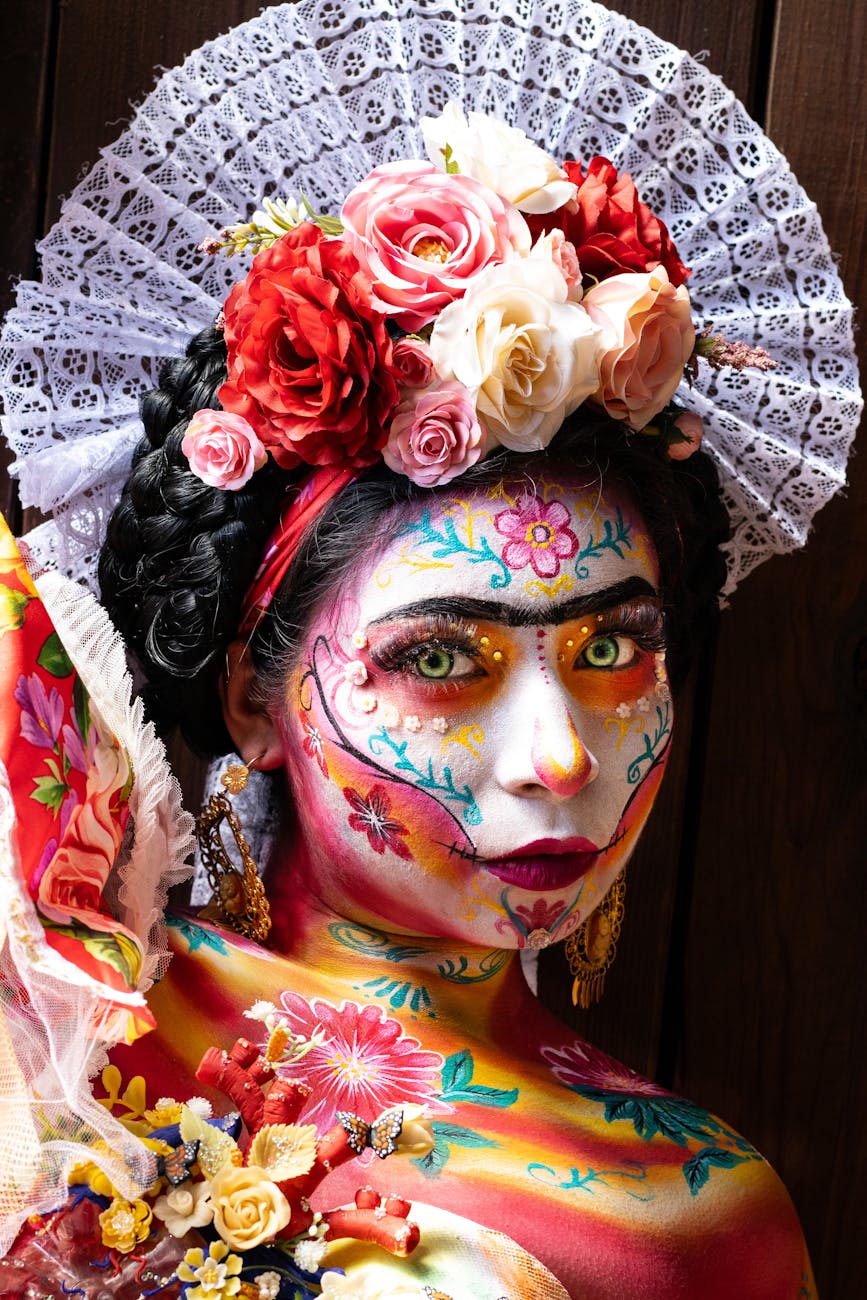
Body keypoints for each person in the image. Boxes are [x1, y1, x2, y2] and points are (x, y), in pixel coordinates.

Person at [0, 5, 859, 1296]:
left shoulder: (698, 1218)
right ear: (253, 699)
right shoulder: (58, 1003)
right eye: (445, 660)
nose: (561, 755)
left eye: (616, 645)